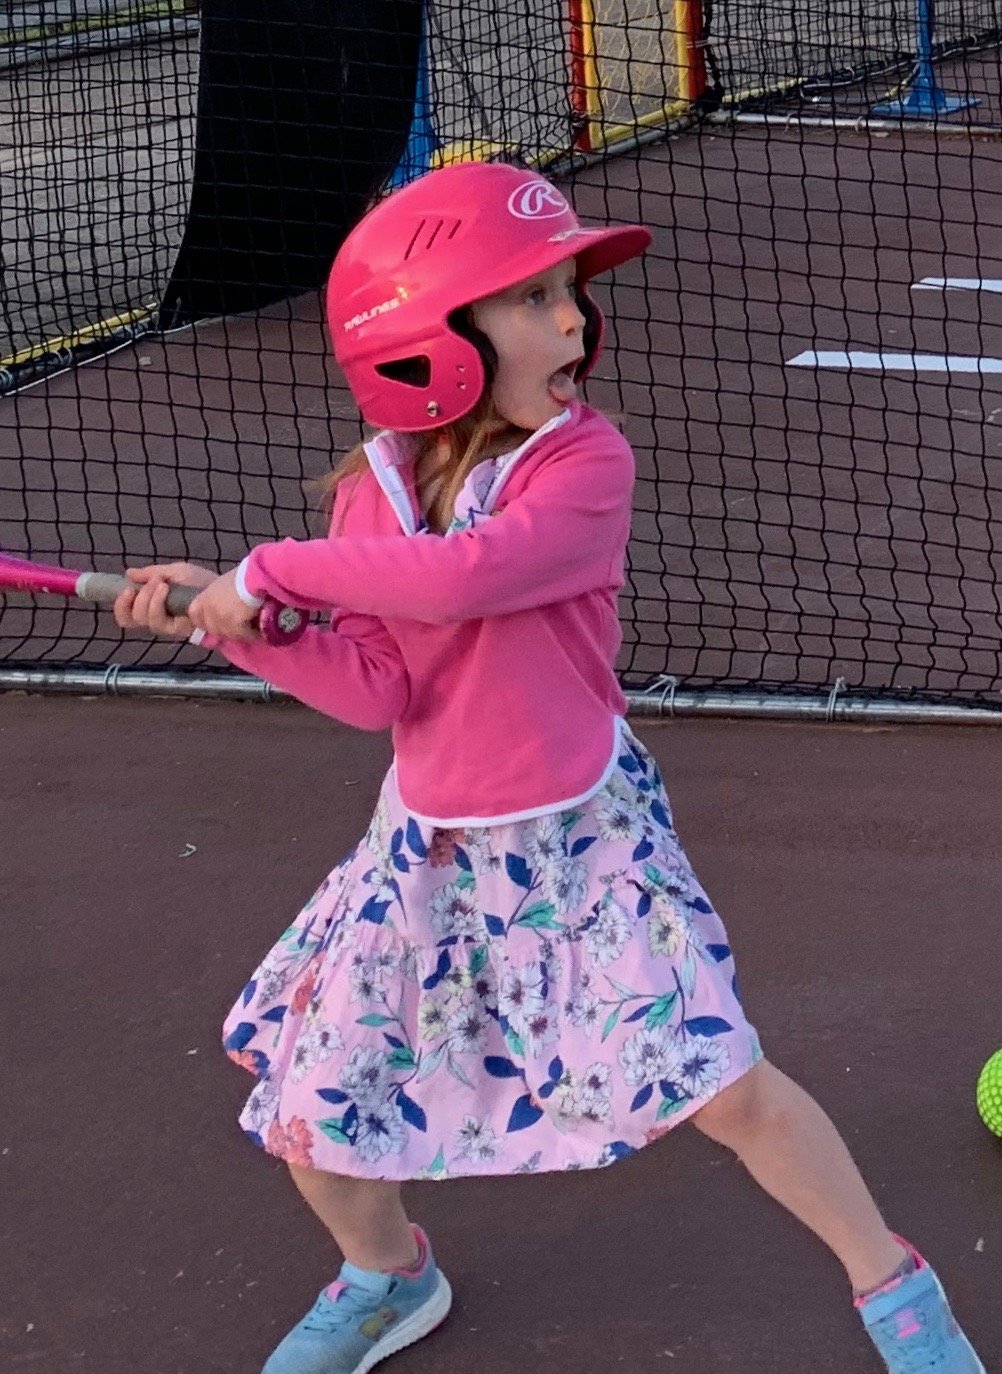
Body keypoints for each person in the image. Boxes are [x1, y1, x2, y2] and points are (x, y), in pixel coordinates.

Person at [114, 162, 984, 1374]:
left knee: (725, 1088)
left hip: (580, 836)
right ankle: (386, 1278)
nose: (574, 321)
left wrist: (271, 573)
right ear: (427, 339)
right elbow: (380, 691)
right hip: (426, 844)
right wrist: (240, 630)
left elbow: (475, 578)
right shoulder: (369, 503)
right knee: (317, 1108)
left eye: (569, 290)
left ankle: (897, 1291)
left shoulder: (584, 467)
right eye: (533, 298)